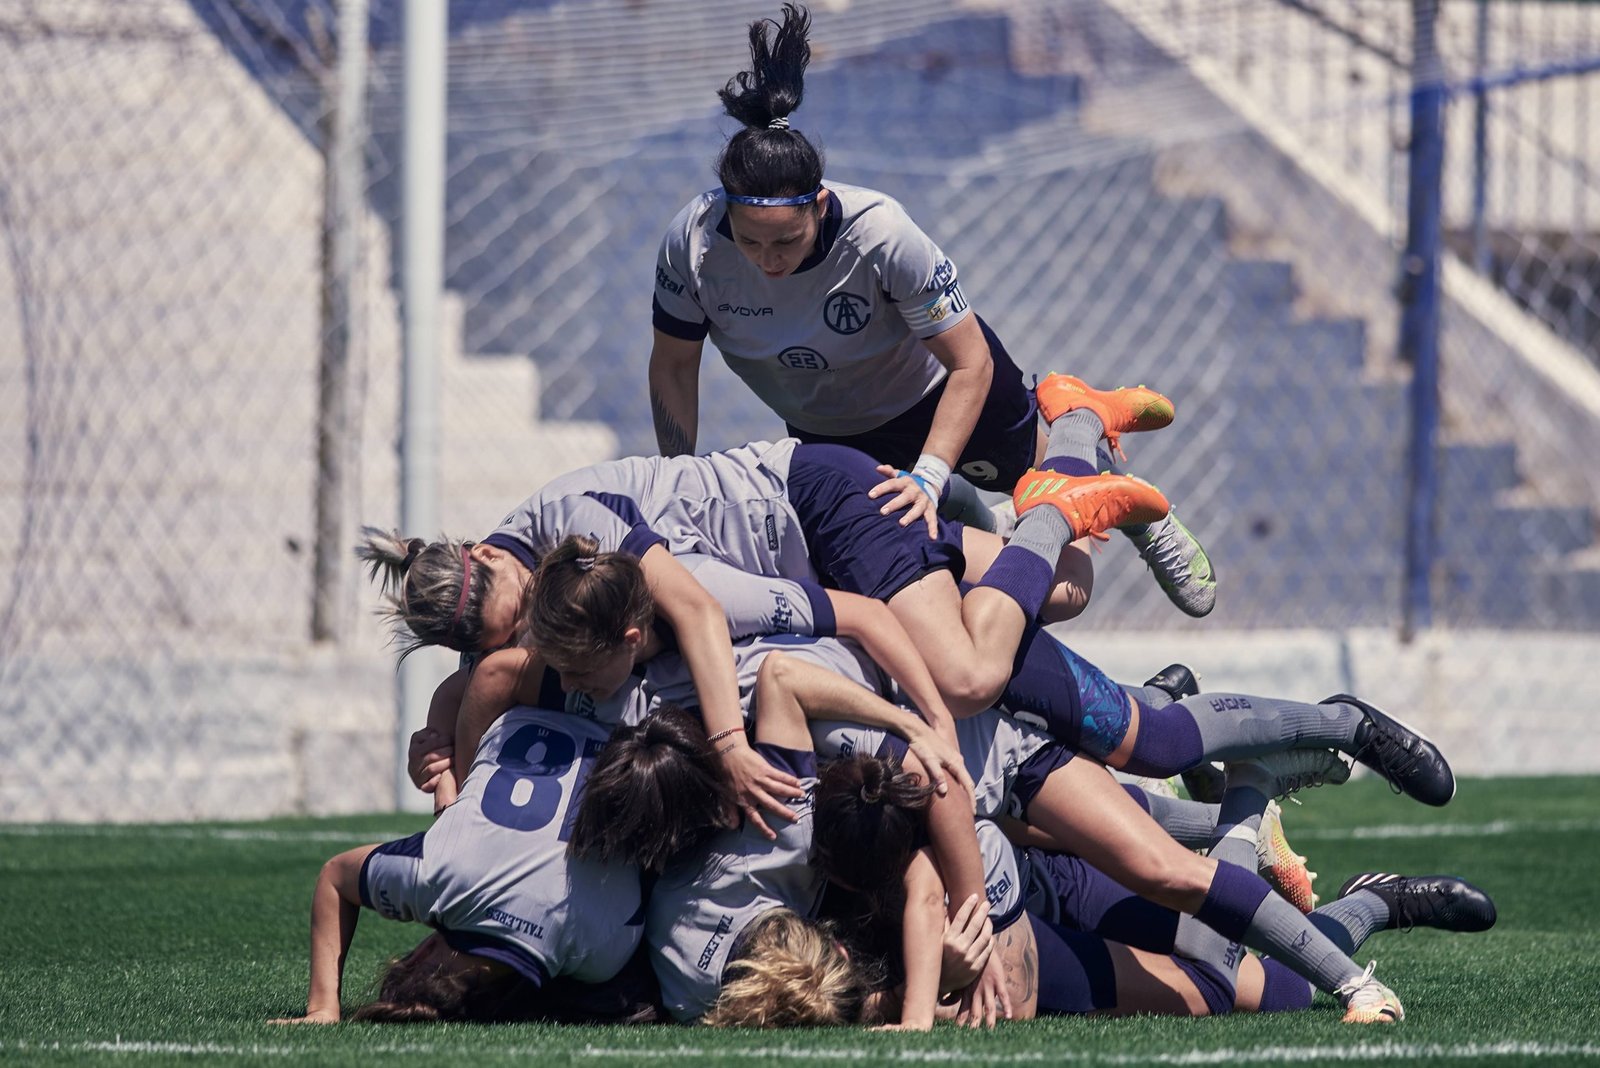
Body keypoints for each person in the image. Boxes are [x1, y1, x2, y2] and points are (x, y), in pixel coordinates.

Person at [647, 3, 1215, 616]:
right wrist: (681, 482)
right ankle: (1019, 485)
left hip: (938, 392)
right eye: (750, 240)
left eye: (785, 241)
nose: (767, 259)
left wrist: (931, 473)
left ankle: (1124, 488)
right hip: (825, 430)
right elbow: (674, 366)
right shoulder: (694, 243)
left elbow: (970, 363)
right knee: (934, 558)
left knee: (1054, 539)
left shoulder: (881, 234)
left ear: (819, 204)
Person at [813, 754, 1495, 1027]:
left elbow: (944, 864)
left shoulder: (932, 786)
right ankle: (1374, 901)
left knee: (1216, 955)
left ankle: (1243, 796)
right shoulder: (794, 876)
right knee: (1256, 987)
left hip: (1036, 887)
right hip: (1028, 927)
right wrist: (920, 992)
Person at [269, 704, 644, 1024]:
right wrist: (323, 1006)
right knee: (479, 677)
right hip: (524, 696)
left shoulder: (602, 957)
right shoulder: (435, 880)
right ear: (421, 955)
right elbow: (335, 876)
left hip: (636, 721)